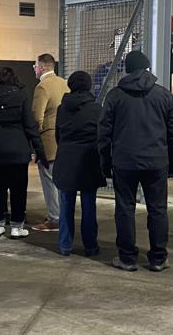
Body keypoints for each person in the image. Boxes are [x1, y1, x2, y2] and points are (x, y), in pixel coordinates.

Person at [98, 51, 173, 272]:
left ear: (127, 69)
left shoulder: (115, 96)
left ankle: (127, 258)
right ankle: (158, 258)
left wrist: (105, 162)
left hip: (124, 162)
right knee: (158, 209)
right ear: (147, 67)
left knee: (125, 209)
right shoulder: (163, 95)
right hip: (156, 161)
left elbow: (104, 133)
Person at [0, 67, 47, 239]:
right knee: (18, 190)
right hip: (17, 149)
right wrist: (39, 150)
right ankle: (16, 226)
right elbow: (30, 125)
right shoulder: (21, 96)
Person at [54, 71, 106, 256]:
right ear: (89, 86)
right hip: (88, 160)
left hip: (66, 159)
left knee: (66, 204)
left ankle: (65, 245)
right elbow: (101, 136)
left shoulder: (62, 108)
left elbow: (58, 136)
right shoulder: (97, 108)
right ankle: (90, 246)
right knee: (88, 205)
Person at [31, 53, 69, 232]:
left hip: (49, 141)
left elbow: (37, 118)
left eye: (35, 66)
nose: (34, 69)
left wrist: (33, 142)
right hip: (65, 139)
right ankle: (62, 215)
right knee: (61, 180)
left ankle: (54, 218)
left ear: (43, 67)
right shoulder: (64, 83)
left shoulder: (42, 87)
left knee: (49, 180)